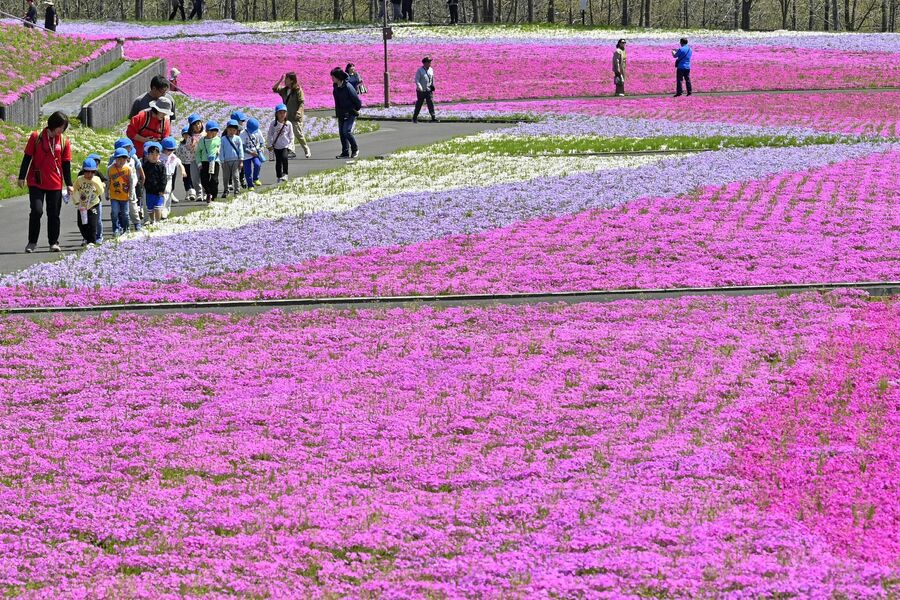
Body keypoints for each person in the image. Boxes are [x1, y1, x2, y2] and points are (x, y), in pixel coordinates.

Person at [17, 111, 72, 253]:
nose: (62, 130)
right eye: (60, 127)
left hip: (55, 182)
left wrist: (69, 184)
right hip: (36, 180)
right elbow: (27, 157)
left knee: (54, 213)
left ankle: (53, 242)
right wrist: (21, 177)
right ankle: (32, 242)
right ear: (53, 124)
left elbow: (66, 164)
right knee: (37, 211)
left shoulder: (64, 140)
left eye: (64, 128)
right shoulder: (36, 136)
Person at [272, 72, 311, 159]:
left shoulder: (298, 90)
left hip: (295, 115)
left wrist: (299, 112)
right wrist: (280, 80)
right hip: (286, 116)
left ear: (292, 80)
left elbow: (301, 102)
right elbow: (274, 89)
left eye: (287, 79)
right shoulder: (284, 90)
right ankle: (292, 151)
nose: (285, 81)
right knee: (288, 134)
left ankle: (306, 149)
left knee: (298, 134)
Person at [72, 159, 105, 246]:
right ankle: (86, 238)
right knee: (81, 224)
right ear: (83, 171)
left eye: (92, 172)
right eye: (87, 172)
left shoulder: (97, 179)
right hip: (82, 205)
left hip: (93, 204)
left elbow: (101, 192)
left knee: (92, 224)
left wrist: (96, 184)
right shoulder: (80, 179)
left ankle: (92, 242)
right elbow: (74, 189)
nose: (90, 174)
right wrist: (76, 201)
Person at [331, 67, 362, 159]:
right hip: (341, 112)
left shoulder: (348, 86)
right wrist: (338, 112)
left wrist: (355, 109)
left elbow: (357, 100)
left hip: (350, 112)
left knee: (346, 131)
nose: (332, 78)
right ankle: (345, 153)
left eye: (333, 76)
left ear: (338, 77)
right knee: (342, 133)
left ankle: (355, 149)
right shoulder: (336, 87)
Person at [107, 148, 133, 238]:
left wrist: (131, 194)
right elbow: (108, 181)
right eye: (119, 159)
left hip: (125, 195)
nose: (121, 161)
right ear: (115, 159)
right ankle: (115, 229)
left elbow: (131, 182)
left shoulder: (128, 169)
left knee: (125, 213)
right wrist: (107, 193)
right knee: (114, 212)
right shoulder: (110, 169)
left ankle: (126, 228)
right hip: (114, 195)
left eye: (124, 158)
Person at [267, 104, 294, 183]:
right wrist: (270, 144)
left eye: (284, 113)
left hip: (285, 145)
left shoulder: (288, 124)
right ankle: (279, 176)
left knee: (284, 158)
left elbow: (291, 136)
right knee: (278, 162)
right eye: (280, 113)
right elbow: (270, 134)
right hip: (276, 146)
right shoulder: (273, 124)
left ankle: (285, 174)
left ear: (286, 113)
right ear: (276, 114)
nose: (282, 115)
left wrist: (290, 146)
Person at [195, 120, 221, 202]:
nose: (214, 133)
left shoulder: (218, 139)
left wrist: (218, 151)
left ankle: (214, 195)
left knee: (214, 180)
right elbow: (198, 152)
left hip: (215, 162)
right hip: (205, 162)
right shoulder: (202, 140)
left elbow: (220, 147)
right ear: (206, 131)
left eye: (216, 131)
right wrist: (199, 163)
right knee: (204, 180)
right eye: (212, 131)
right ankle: (208, 192)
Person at [161, 136, 186, 218]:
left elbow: (179, 163)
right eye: (168, 150)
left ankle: (166, 210)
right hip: (160, 177)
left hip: (169, 177)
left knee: (168, 192)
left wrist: (183, 170)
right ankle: (160, 209)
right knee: (162, 193)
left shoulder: (173, 156)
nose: (170, 152)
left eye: (172, 150)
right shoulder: (160, 156)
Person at [220, 120, 244, 199]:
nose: (232, 132)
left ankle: (237, 190)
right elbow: (221, 150)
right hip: (226, 161)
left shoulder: (238, 138)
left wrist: (241, 160)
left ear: (236, 131)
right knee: (226, 177)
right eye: (230, 130)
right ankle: (226, 190)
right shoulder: (223, 139)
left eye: (234, 130)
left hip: (236, 160)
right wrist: (222, 161)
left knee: (236, 176)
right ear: (227, 129)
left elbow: (240, 150)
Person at [240, 117, 266, 190]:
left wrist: (262, 148)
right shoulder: (242, 134)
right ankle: (250, 185)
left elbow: (262, 142)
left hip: (256, 153)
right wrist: (251, 152)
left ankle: (255, 178)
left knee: (258, 164)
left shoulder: (258, 131)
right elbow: (242, 146)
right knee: (247, 171)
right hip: (246, 155)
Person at [412, 56, 436, 123]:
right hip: (421, 91)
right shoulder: (420, 70)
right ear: (424, 63)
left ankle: (433, 117)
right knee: (419, 104)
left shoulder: (431, 69)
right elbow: (417, 80)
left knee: (430, 103)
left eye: (430, 62)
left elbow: (432, 78)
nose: (430, 63)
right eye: (428, 62)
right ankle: (414, 118)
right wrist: (420, 87)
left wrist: (433, 85)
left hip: (428, 90)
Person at [175, 125, 196, 201]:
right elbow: (178, 154)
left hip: (192, 163)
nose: (186, 136)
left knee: (192, 178)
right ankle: (187, 193)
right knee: (185, 179)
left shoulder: (193, 143)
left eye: (188, 134)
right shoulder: (181, 144)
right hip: (184, 164)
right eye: (185, 134)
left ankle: (192, 193)